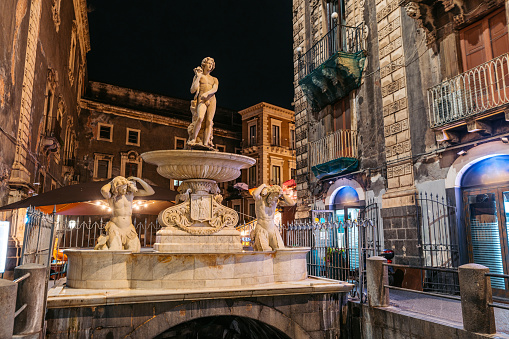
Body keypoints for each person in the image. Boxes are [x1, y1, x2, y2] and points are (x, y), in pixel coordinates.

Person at [96, 176, 155, 252]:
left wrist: (139, 180)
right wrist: (113, 182)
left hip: (129, 228)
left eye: (125, 187)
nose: (125, 190)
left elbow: (151, 192)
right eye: (122, 188)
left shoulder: (130, 194)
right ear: (116, 187)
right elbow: (104, 190)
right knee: (114, 250)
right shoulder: (112, 196)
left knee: (134, 251)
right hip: (115, 227)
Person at [250, 183, 295, 251]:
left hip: (272, 229)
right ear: (270, 194)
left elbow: (292, 203)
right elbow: (255, 194)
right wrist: (264, 185)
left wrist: (282, 194)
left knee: (280, 250)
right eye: (274, 197)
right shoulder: (260, 200)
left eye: (277, 197)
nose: (275, 200)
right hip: (262, 228)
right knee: (264, 252)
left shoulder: (276, 201)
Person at [188, 57, 218, 148]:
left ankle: (205, 143)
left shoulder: (214, 79)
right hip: (202, 99)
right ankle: (194, 138)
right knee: (200, 117)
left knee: (209, 121)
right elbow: (192, 90)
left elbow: (215, 89)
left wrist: (207, 94)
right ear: (204, 64)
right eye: (208, 63)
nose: (210, 65)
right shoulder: (200, 76)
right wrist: (198, 76)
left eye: (212, 64)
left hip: (211, 99)